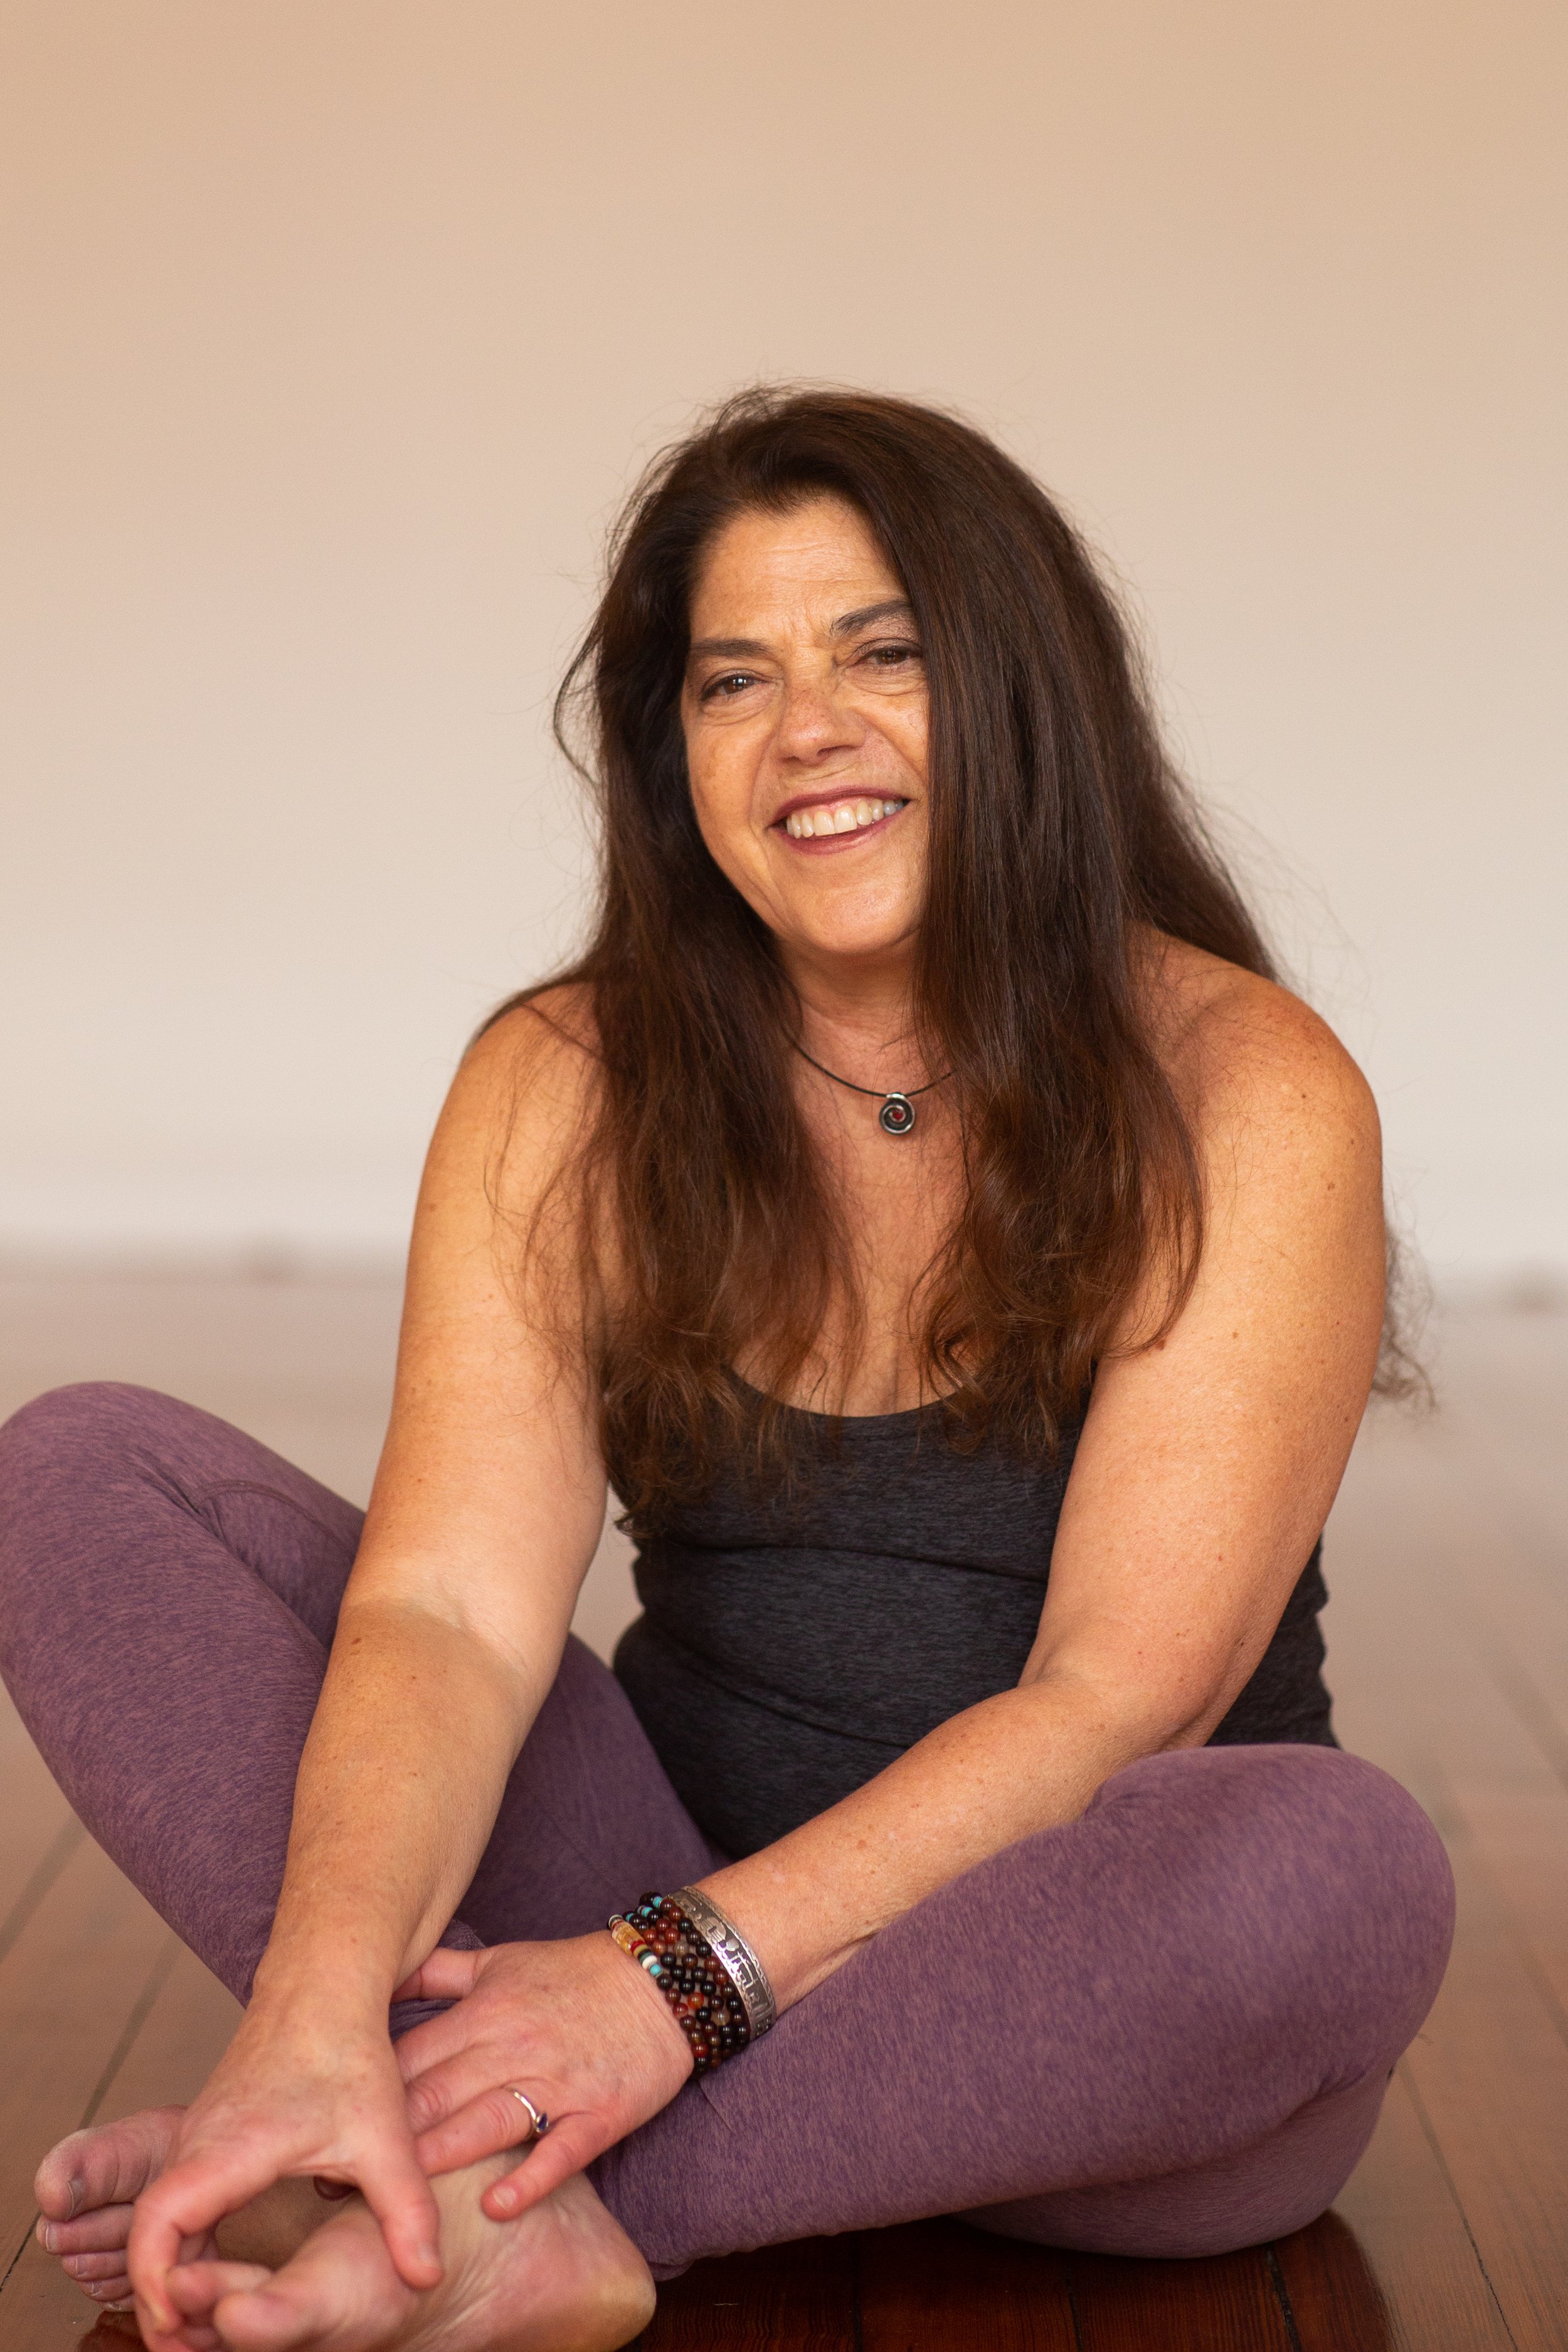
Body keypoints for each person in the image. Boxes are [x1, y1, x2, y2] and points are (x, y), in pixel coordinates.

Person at [0, 388, 1453, 2352]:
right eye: (732, 680)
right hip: (638, 1900)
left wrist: (661, 1996)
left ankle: (500, 2198)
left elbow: (1118, 1702)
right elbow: (445, 1612)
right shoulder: (568, 1080)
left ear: (1024, 696)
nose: (806, 731)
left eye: (882, 655)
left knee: (1333, 1867)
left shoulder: (1244, 1088)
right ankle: (412, 2138)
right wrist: (310, 2023)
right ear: (667, 751)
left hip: (1074, 2017)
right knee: (79, 1469)